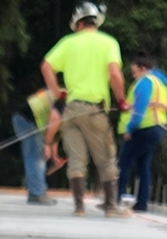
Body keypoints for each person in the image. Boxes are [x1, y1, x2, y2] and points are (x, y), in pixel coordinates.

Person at [41, 1, 129, 217]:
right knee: (106, 159)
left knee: (76, 159)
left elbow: (46, 65)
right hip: (94, 109)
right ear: (95, 22)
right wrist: (122, 100)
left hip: (71, 110)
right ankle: (110, 206)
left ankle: (79, 207)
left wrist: (56, 91)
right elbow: (115, 75)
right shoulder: (108, 43)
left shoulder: (67, 43)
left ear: (78, 23)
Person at [117, 51, 167, 212]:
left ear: (143, 68)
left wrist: (130, 128)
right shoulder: (160, 83)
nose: (133, 76)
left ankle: (116, 198)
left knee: (124, 162)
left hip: (143, 128)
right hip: (157, 128)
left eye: (134, 72)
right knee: (143, 165)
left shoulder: (145, 82)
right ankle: (142, 202)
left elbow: (140, 108)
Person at [11, 89, 66, 205]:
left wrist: (54, 156)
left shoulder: (66, 100)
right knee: (36, 157)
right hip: (27, 120)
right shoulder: (66, 100)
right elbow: (54, 120)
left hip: (25, 120)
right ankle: (36, 193)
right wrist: (46, 144)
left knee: (38, 156)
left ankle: (36, 189)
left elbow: (55, 132)